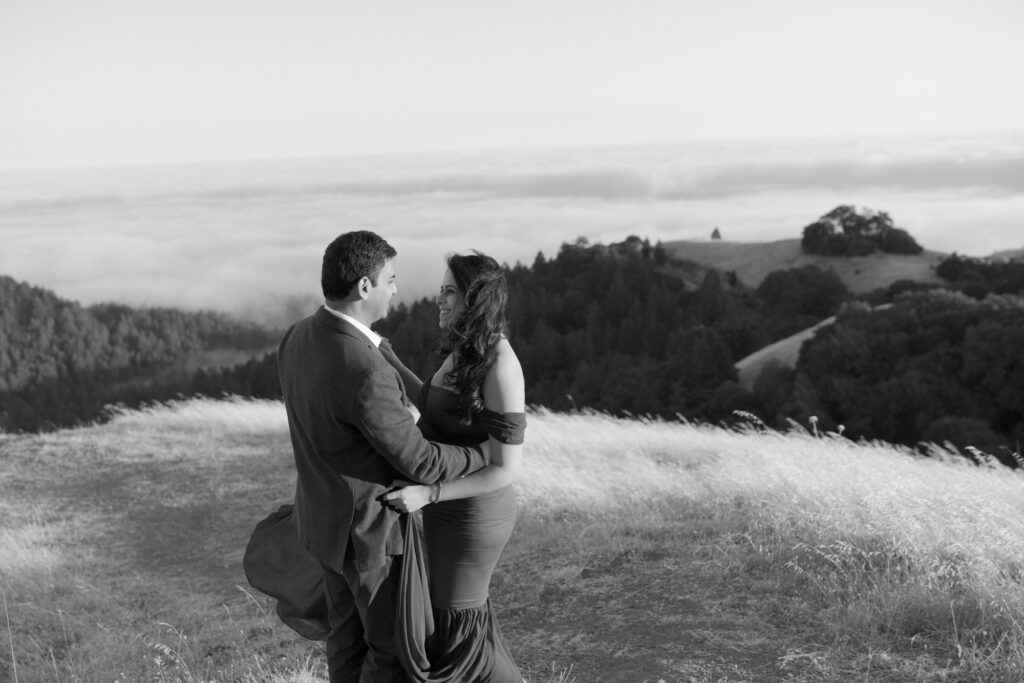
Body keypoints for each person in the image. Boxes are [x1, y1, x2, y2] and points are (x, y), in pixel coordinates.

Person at [277, 231, 489, 683]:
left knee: (345, 642)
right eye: (390, 279)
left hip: (324, 525)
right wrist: (480, 454)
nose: (396, 289)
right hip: (371, 536)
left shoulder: (296, 337)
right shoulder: (364, 370)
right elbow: (423, 463)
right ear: (364, 288)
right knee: (388, 651)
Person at [380, 251, 526, 682]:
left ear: (475, 299)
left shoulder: (500, 366)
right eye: (441, 290)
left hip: (474, 515)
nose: (440, 300)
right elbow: (430, 402)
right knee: (450, 624)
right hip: (443, 507)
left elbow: (505, 468)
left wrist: (427, 494)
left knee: (459, 629)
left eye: (450, 292)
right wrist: (385, 356)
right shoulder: (465, 352)